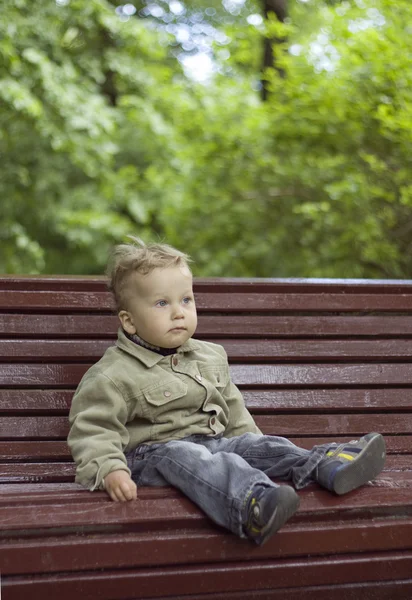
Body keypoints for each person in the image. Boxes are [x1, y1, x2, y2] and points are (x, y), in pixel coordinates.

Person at [68, 237, 386, 545]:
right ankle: (253, 505)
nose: (178, 312)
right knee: (187, 454)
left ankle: (327, 465)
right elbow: (94, 431)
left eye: (186, 300)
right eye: (162, 303)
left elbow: (234, 413)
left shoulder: (209, 356)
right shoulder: (112, 375)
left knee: (254, 446)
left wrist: (257, 449)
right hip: (153, 457)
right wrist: (110, 471)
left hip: (213, 444)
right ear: (129, 321)